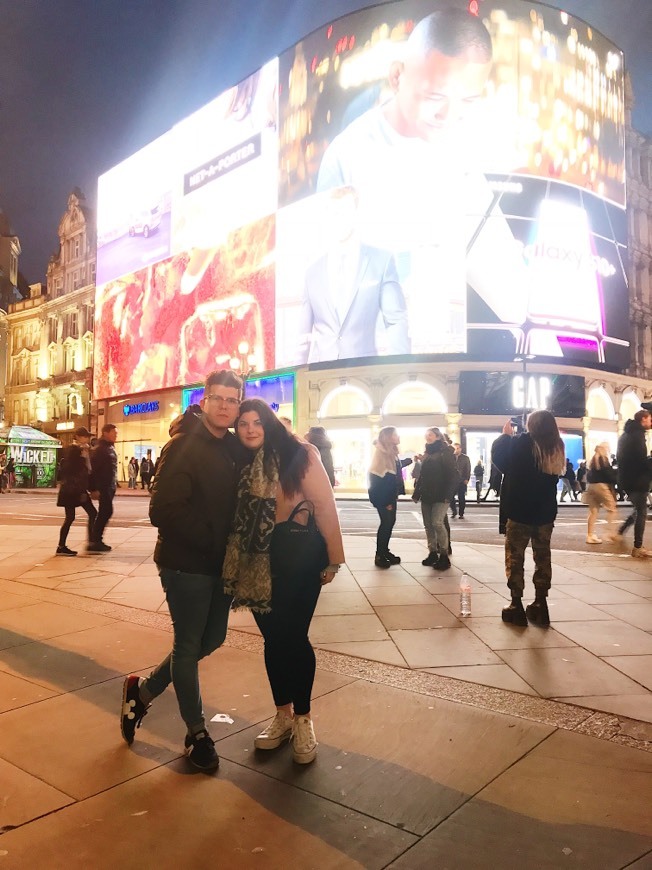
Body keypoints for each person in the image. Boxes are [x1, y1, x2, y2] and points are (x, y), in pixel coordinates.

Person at [316, 8, 529, 355]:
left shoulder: (465, 155)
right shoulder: (347, 157)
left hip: (443, 360)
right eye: (435, 97)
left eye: (467, 101)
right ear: (397, 76)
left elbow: (511, 290)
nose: (449, 115)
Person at [120, 370, 245, 771]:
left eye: (233, 400)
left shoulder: (234, 448)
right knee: (188, 646)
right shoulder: (183, 446)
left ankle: (143, 692)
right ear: (204, 400)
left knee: (212, 639)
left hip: (221, 566)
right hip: (186, 564)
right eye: (218, 398)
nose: (225, 406)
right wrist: (215, 541)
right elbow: (163, 510)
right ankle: (197, 733)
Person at [223, 399, 344, 764]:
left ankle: (303, 719)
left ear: (270, 423)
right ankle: (283, 715)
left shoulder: (299, 453)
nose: (249, 429)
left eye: (257, 422)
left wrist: (335, 558)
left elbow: (324, 504)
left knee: (293, 637)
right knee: (274, 639)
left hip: (298, 559)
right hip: (254, 563)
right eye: (243, 423)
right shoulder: (237, 461)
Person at [295, 186, 409, 363]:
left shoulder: (381, 261)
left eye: (345, 212)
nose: (339, 219)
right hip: (322, 379)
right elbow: (303, 339)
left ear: (355, 213)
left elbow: (396, 323)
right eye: (335, 212)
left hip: (366, 376)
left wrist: (400, 372)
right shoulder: (312, 274)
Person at [493, 412, 565, 627]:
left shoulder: (522, 443)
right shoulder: (556, 445)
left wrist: (505, 436)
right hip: (544, 512)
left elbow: (502, 461)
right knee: (542, 556)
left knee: (515, 556)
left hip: (520, 510)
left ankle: (516, 603)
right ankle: (540, 603)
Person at [412, 427, 458, 569]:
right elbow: (423, 475)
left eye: (430, 434)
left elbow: (454, 475)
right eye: (426, 434)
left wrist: (448, 495)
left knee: (437, 523)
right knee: (428, 525)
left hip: (441, 494)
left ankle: (444, 554)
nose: (428, 436)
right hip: (427, 494)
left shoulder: (445, 452)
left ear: (438, 437)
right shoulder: (428, 453)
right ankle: (432, 552)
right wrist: (417, 493)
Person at [368, 427, 412, 568]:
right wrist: (386, 501)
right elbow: (378, 478)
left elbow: (396, 467)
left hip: (390, 495)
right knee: (386, 524)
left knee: (389, 523)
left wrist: (410, 461)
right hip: (384, 496)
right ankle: (380, 555)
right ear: (389, 437)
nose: (398, 436)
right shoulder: (382, 453)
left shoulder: (390, 452)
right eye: (395, 434)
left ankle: (385, 551)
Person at [614, 408, 652, 558]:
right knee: (642, 511)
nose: (650, 422)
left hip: (627, 479)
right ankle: (637, 547)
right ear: (643, 419)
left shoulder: (627, 434)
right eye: (649, 419)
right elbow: (639, 461)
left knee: (639, 509)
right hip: (636, 480)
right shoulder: (637, 436)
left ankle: (621, 530)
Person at [55, 426, 98, 556]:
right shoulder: (74, 450)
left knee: (72, 517)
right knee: (90, 513)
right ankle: (89, 542)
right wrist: (83, 457)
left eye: (88, 437)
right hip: (73, 490)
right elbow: (77, 471)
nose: (87, 439)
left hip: (73, 489)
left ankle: (62, 546)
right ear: (78, 437)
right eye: (85, 436)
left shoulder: (80, 450)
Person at [89, 423, 118, 552]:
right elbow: (92, 470)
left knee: (105, 512)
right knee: (105, 512)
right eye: (114, 432)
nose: (116, 435)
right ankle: (95, 540)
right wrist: (93, 488)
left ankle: (95, 540)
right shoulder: (100, 449)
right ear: (106, 433)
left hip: (109, 486)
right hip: (102, 486)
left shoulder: (109, 447)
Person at [585, 443, 618, 544]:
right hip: (601, 486)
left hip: (591, 486)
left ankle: (590, 535)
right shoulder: (603, 459)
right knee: (612, 509)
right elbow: (608, 475)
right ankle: (609, 533)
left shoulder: (593, 460)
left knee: (593, 511)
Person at [450, 442, 471, 518]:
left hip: (462, 480)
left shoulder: (465, 458)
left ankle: (461, 513)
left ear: (460, 449)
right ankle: (454, 511)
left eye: (458, 448)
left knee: (461, 497)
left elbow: (468, 469)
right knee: (451, 497)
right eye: (455, 448)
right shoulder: (450, 457)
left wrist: (466, 479)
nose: (456, 450)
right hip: (452, 481)